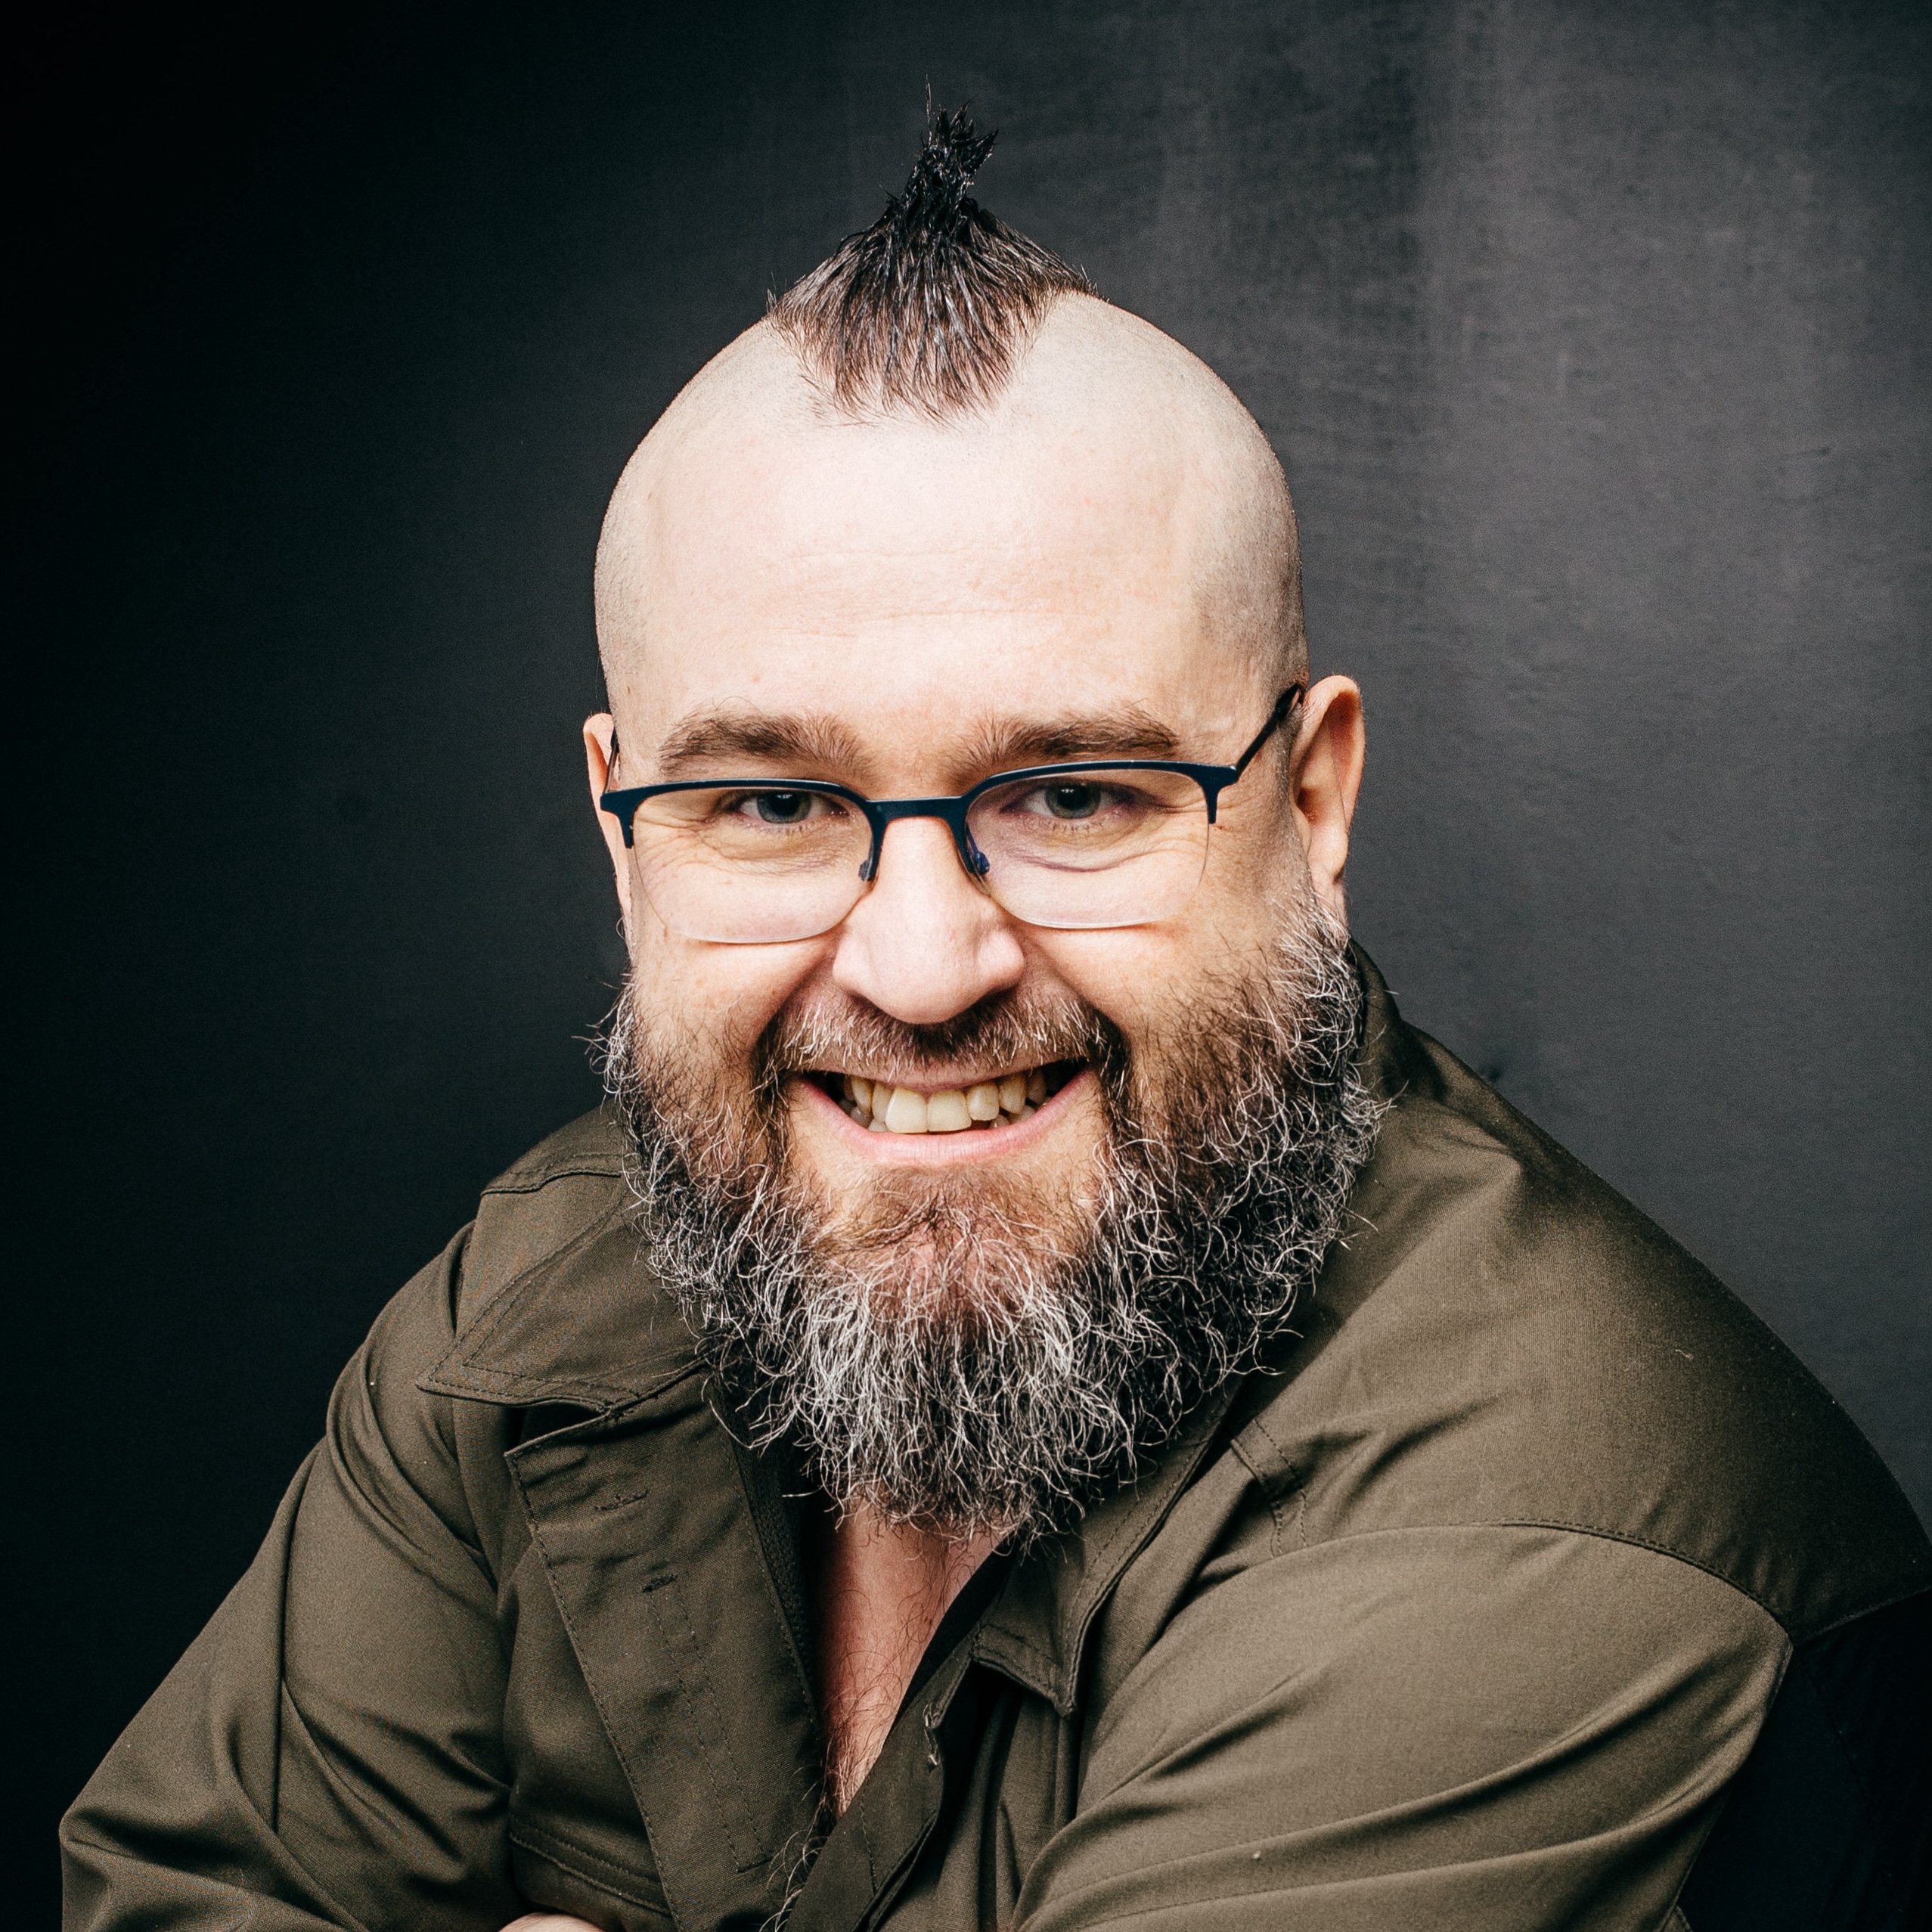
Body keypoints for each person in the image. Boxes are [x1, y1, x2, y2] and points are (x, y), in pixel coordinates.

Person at [63, 110, 1929, 1932]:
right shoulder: (545, 1298)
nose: (922, 966)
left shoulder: (1523, 1529)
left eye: (1075, 794)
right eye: (771, 803)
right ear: (628, 838)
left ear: (1314, 802)